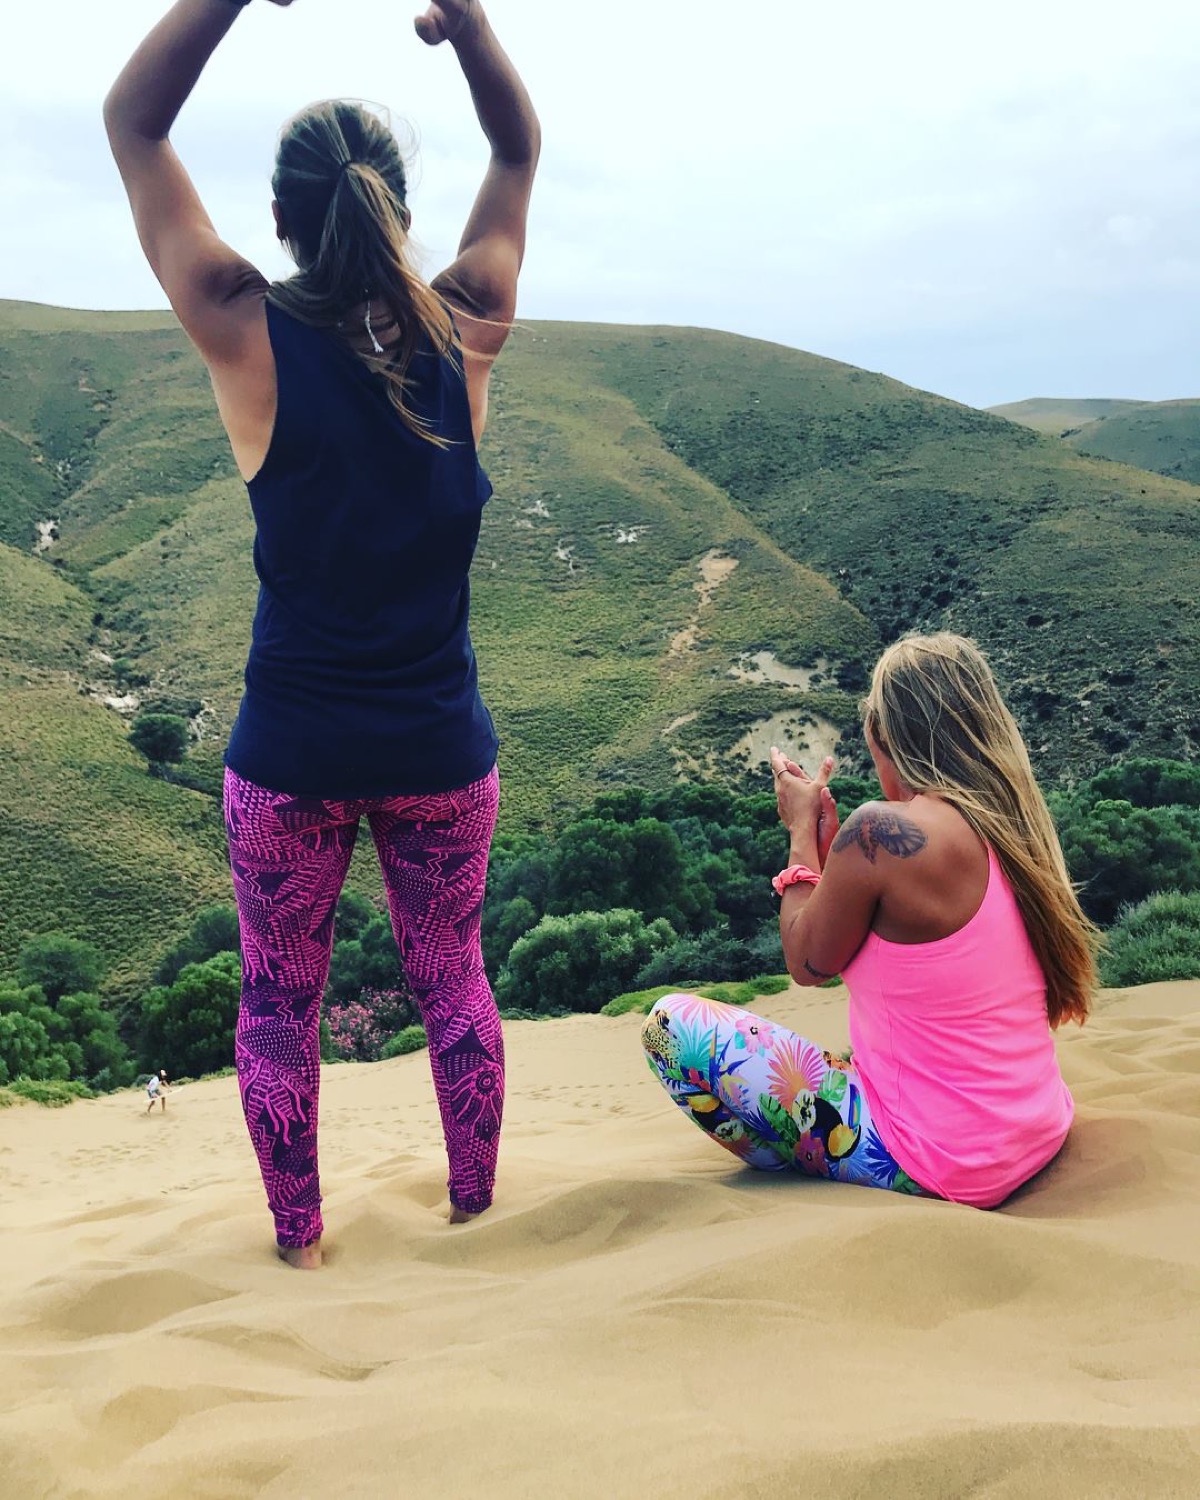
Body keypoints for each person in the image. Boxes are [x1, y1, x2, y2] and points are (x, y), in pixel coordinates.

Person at [105, 0, 540, 1268]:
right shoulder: (468, 325)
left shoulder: (243, 327)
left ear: (283, 220)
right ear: (397, 210)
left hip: (290, 754)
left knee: (278, 1002)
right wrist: (470, 31)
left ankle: (298, 1244)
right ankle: (475, 1215)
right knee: (453, 976)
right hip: (441, 749)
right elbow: (518, 154)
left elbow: (133, 123)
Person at [641, 633, 1099, 1208]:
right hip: (1035, 1133)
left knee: (668, 1025)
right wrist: (839, 863)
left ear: (885, 737)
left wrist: (801, 832)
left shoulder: (879, 831)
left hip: (940, 1161)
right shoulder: (1014, 828)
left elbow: (806, 962)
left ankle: (791, 1176)